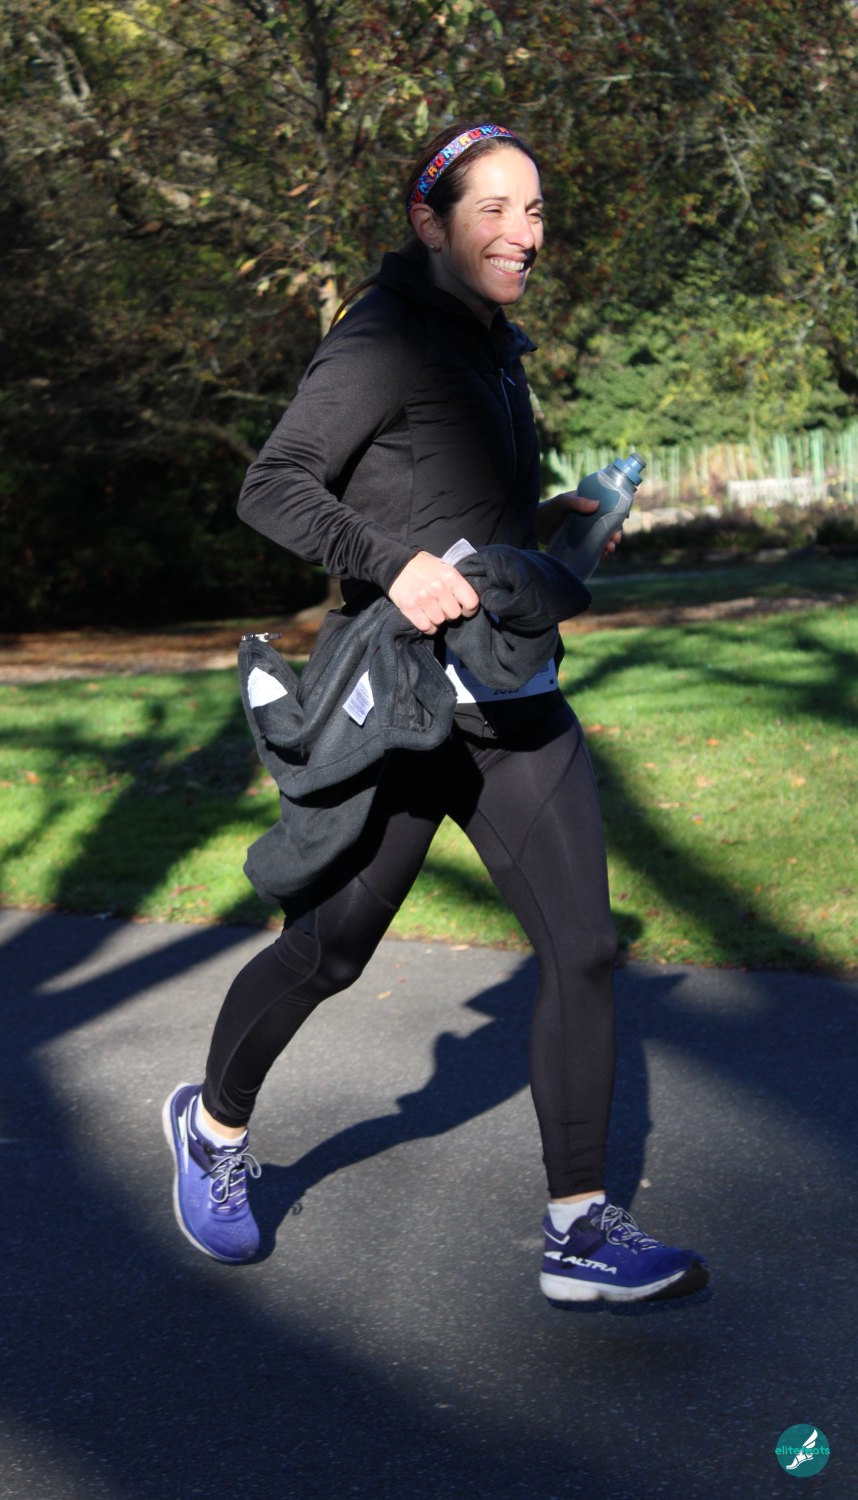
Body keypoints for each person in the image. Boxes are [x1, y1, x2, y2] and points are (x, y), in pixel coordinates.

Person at [163, 121, 709, 1304]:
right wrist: (389, 563)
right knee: (329, 949)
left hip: (511, 693)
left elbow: (457, 506)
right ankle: (210, 1130)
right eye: (494, 209)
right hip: (403, 705)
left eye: (535, 209)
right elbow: (273, 484)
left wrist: (558, 521)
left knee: (584, 949)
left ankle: (578, 1231)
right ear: (430, 219)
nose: (524, 232)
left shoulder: (492, 344)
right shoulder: (383, 334)